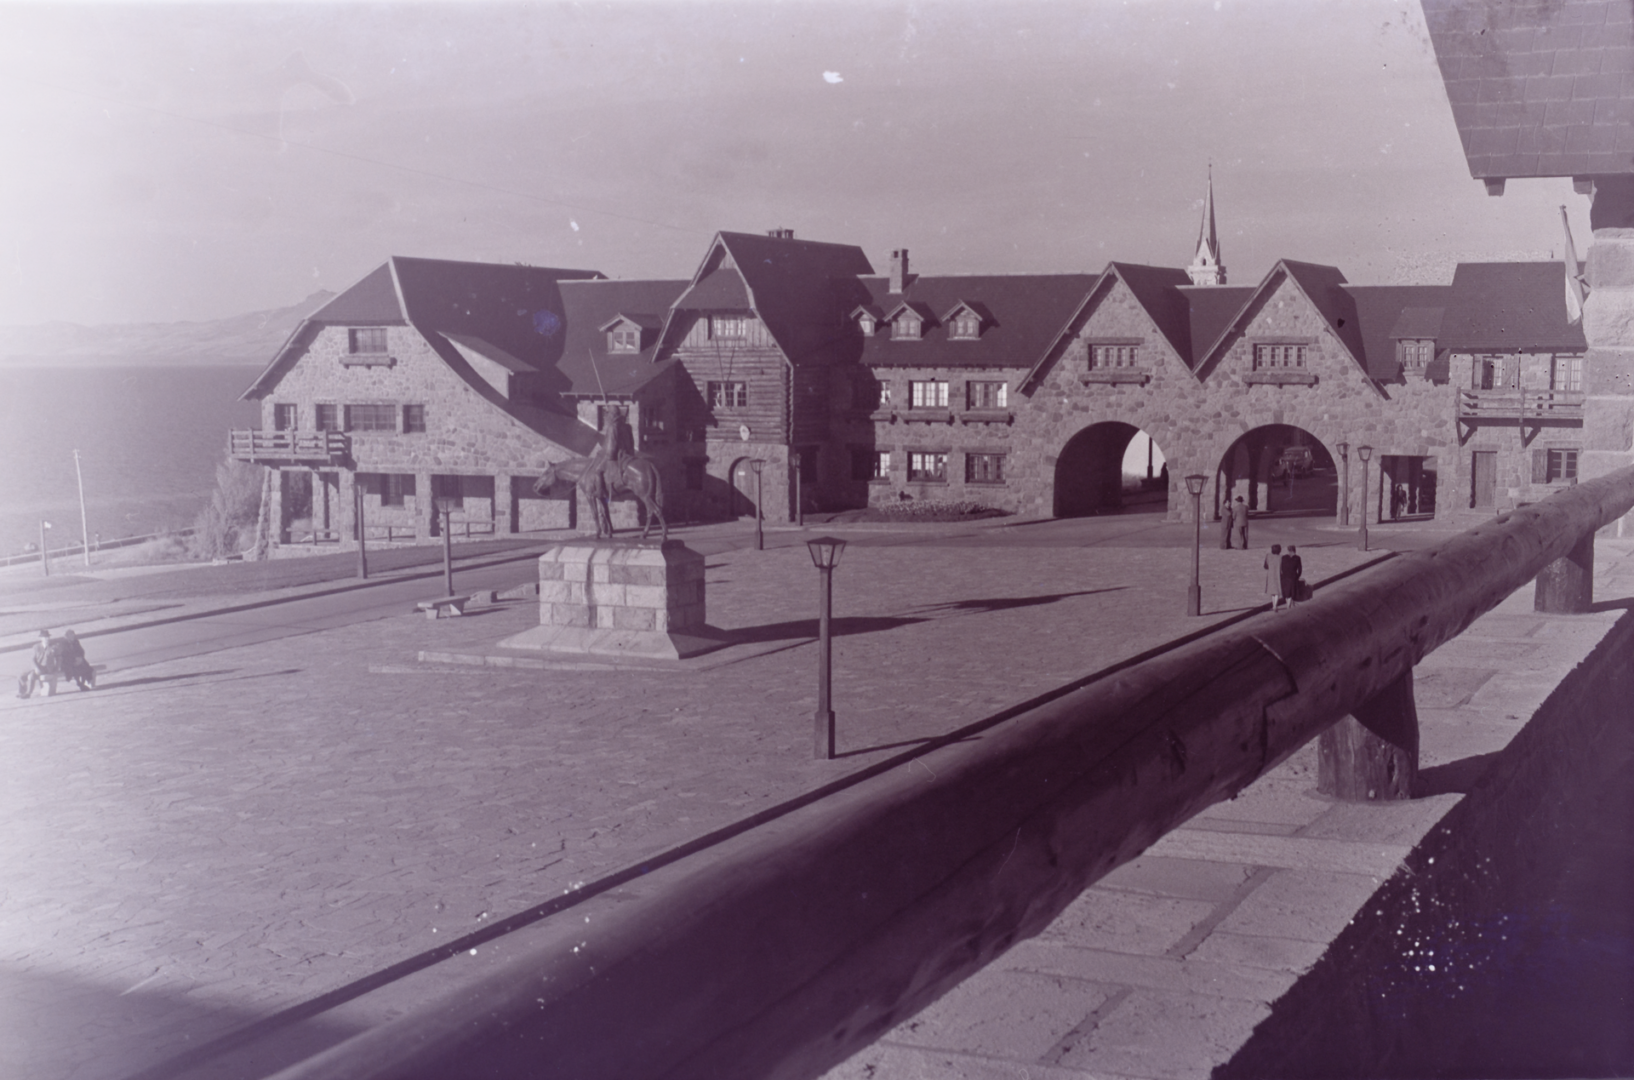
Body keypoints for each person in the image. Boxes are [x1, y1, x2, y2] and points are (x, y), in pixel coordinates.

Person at [18, 630, 62, 698]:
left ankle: (28, 693)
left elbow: (59, 659)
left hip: (47, 668)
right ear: (41, 638)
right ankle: (21, 692)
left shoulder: (53, 647)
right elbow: (33, 659)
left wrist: (56, 669)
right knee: (21, 676)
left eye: (47, 637)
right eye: (44, 637)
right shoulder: (36, 647)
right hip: (38, 667)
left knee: (32, 676)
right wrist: (37, 668)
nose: (46, 639)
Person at [1281, 544, 1303, 609]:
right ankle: (1289, 605)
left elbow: (1281, 567)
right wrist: (1297, 576)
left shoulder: (1284, 557)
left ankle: (1288, 604)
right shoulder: (1297, 558)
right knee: (1291, 591)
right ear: (1294, 550)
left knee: (1286, 592)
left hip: (1284, 577)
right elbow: (1300, 569)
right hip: (1293, 577)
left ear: (1288, 550)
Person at [1264, 544, 1285, 611]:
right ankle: (1275, 605)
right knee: (1277, 591)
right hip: (1278, 575)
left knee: (1272, 591)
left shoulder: (1268, 556)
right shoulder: (1281, 557)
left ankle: (1274, 605)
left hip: (1270, 575)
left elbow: (1265, 566)